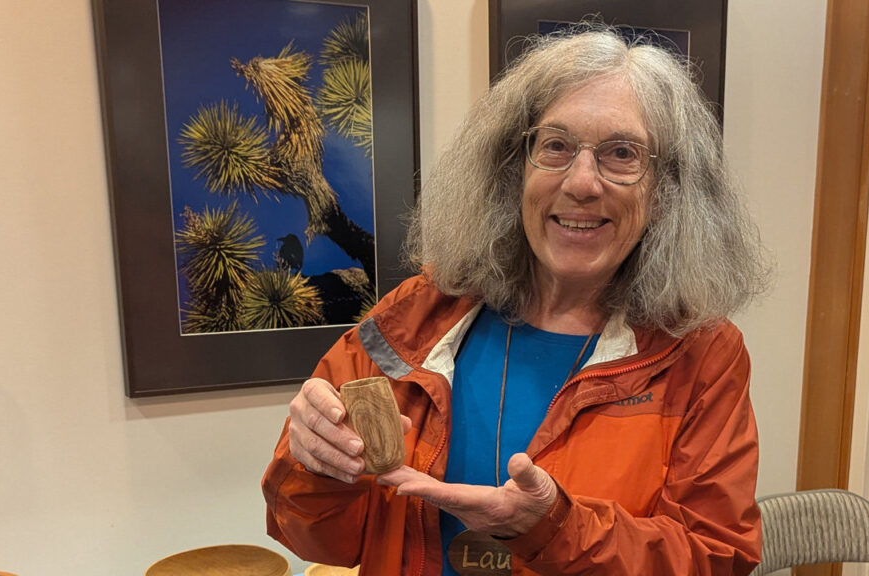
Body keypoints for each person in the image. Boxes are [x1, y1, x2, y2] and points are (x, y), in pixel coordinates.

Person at [262, 25, 768, 576]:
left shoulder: (701, 357)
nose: (582, 182)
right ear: (513, 168)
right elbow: (317, 541)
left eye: (622, 154)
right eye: (555, 145)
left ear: (667, 190)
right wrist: (312, 465)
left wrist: (553, 527)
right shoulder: (416, 316)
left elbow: (717, 560)